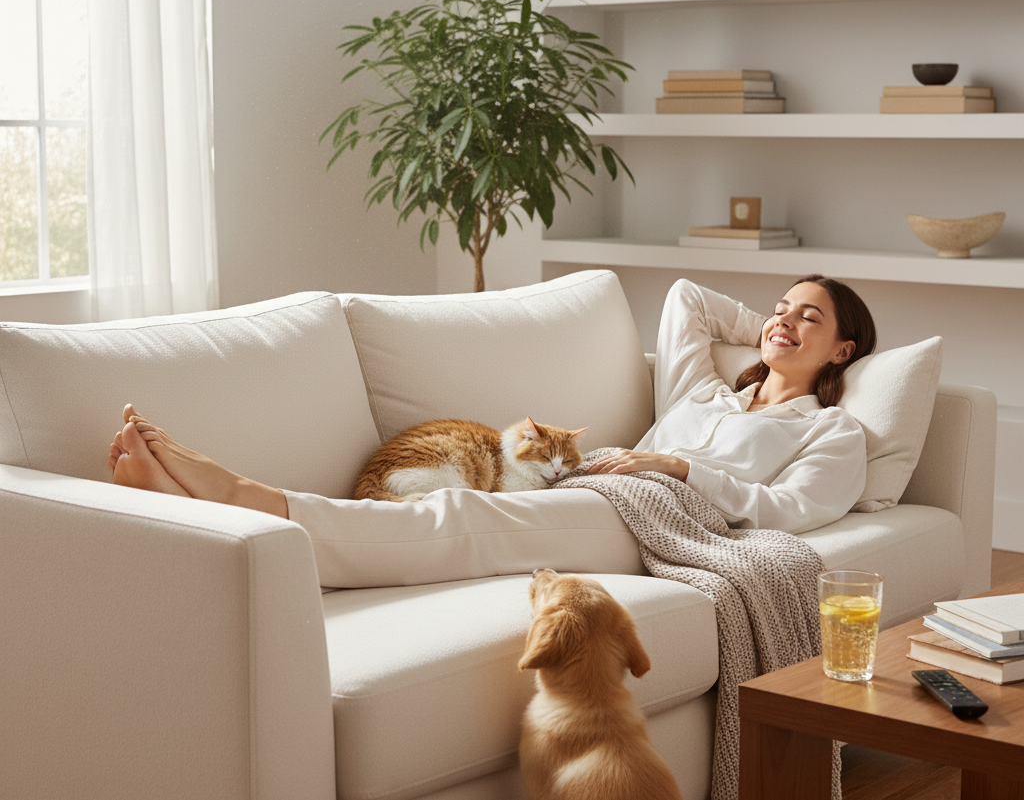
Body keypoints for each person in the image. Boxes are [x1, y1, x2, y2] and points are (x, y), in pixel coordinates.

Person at [108, 274, 876, 584]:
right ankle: (227, 512)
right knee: (468, 510)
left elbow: (794, 510)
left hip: (663, 509)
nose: (783, 319)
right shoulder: (703, 389)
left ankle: (245, 499)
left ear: (844, 350)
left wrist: (679, 469)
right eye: (779, 308)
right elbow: (686, 299)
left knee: (462, 516)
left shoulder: (831, 430)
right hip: (596, 482)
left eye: (809, 317)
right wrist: (772, 333)